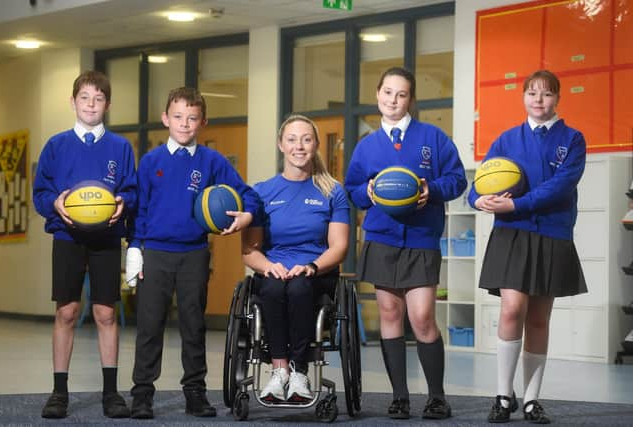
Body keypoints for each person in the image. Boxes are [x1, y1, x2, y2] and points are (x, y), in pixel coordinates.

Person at [125, 86, 260, 419]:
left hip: (194, 253)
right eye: (178, 117)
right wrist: (135, 248)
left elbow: (248, 195)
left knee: (193, 324)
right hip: (154, 252)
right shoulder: (151, 161)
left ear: (203, 122)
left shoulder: (212, 161)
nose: (185, 124)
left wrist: (247, 215)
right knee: (149, 325)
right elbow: (138, 209)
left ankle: (195, 393)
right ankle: (142, 394)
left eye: (192, 118)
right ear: (165, 119)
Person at [345, 66, 467, 420]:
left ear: (410, 99)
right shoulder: (366, 146)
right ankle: (399, 396)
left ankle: (437, 397)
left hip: (421, 238)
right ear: (377, 95)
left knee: (423, 317)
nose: (393, 100)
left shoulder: (433, 137)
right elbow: (352, 189)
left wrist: (433, 190)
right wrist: (365, 193)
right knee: (389, 314)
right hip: (382, 239)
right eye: (387, 93)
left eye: (401, 94)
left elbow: (458, 179)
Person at [468, 69, 587, 424]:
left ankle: (533, 399)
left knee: (538, 318)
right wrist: (479, 201)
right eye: (532, 93)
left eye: (547, 94)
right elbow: (479, 184)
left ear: (557, 99)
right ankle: (504, 395)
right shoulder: (506, 139)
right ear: (523, 97)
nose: (539, 99)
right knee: (511, 310)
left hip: (552, 234)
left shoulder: (573, 139)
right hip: (511, 234)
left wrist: (517, 204)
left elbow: (562, 187)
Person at [33, 70, 137, 419]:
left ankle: (111, 393)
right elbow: (41, 193)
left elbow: (132, 191)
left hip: (106, 239)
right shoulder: (56, 146)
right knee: (66, 311)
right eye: (84, 97)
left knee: (106, 313)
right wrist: (56, 204)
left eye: (98, 98)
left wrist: (122, 202)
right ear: (73, 101)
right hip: (67, 237)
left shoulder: (120, 148)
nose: (91, 104)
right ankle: (59, 392)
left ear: (107, 104)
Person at [241, 114, 350, 403]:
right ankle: (280, 372)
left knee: (300, 287)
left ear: (315, 145)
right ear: (281, 145)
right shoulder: (261, 192)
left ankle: (300, 372)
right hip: (274, 271)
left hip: (316, 273)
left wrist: (312, 266)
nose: (298, 146)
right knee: (275, 288)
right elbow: (249, 250)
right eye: (291, 139)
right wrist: (269, 267)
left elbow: (339, 247)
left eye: (306, 139)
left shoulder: (332, 191)